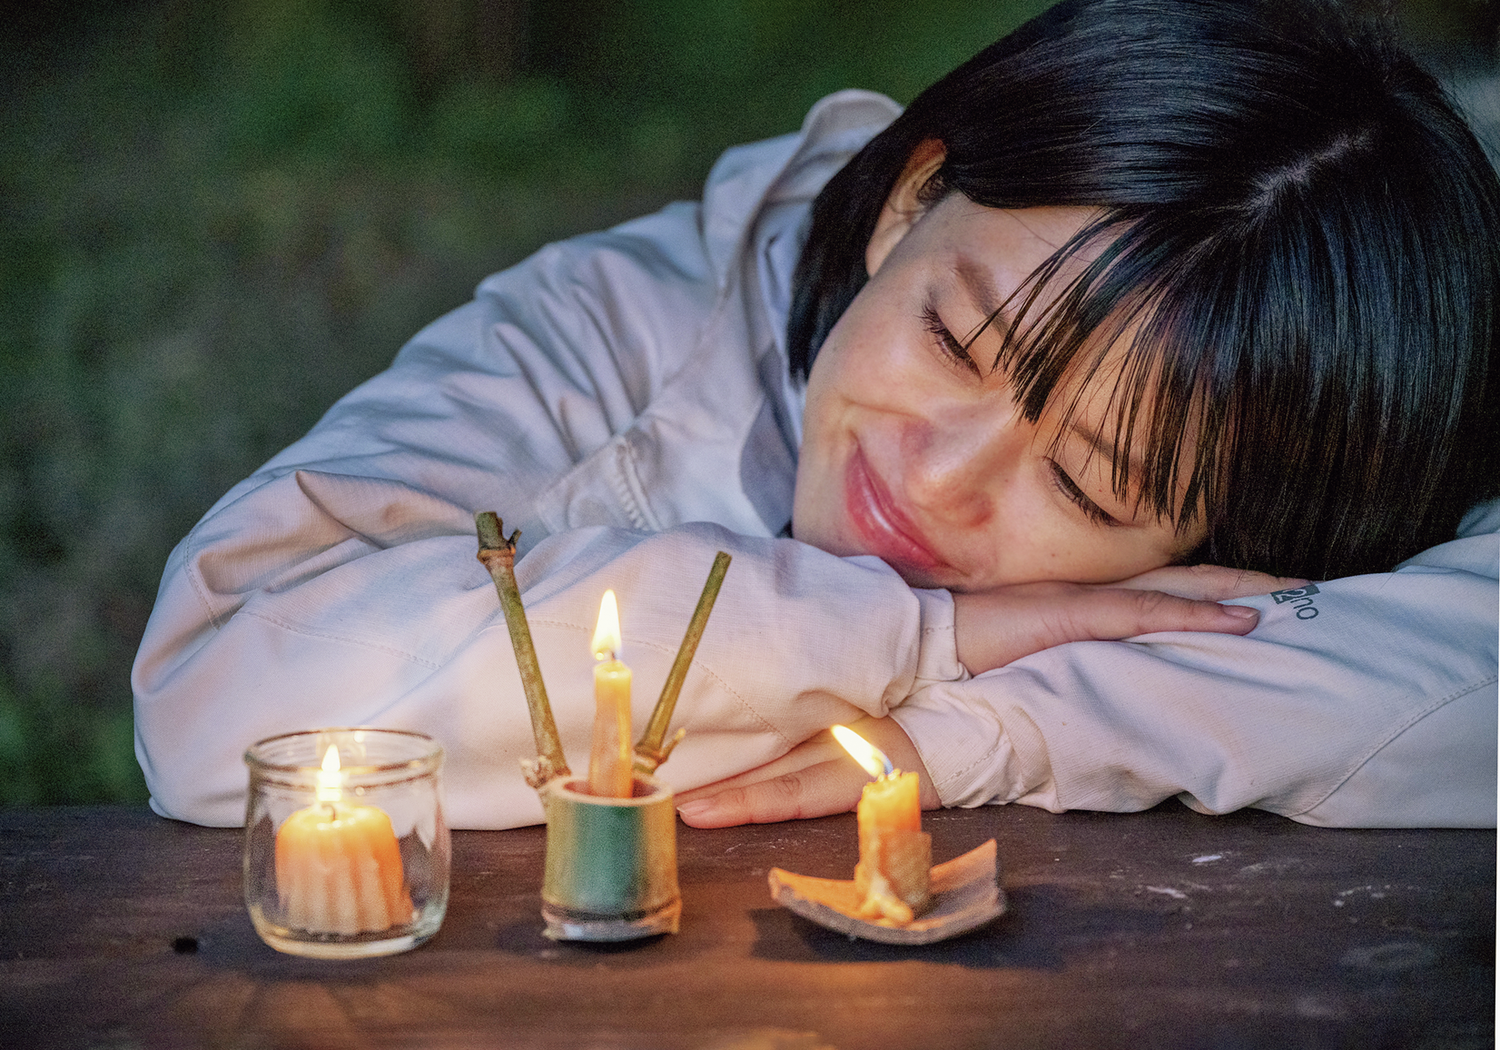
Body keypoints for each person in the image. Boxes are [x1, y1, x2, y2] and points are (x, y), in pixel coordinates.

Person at [132, 0, 1499, 832]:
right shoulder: (613, 324)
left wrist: (985, 727)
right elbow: (216, 686)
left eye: (1088, 482)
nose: (941, 474)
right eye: (956, 334)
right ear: (911, 200)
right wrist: (923, 637)